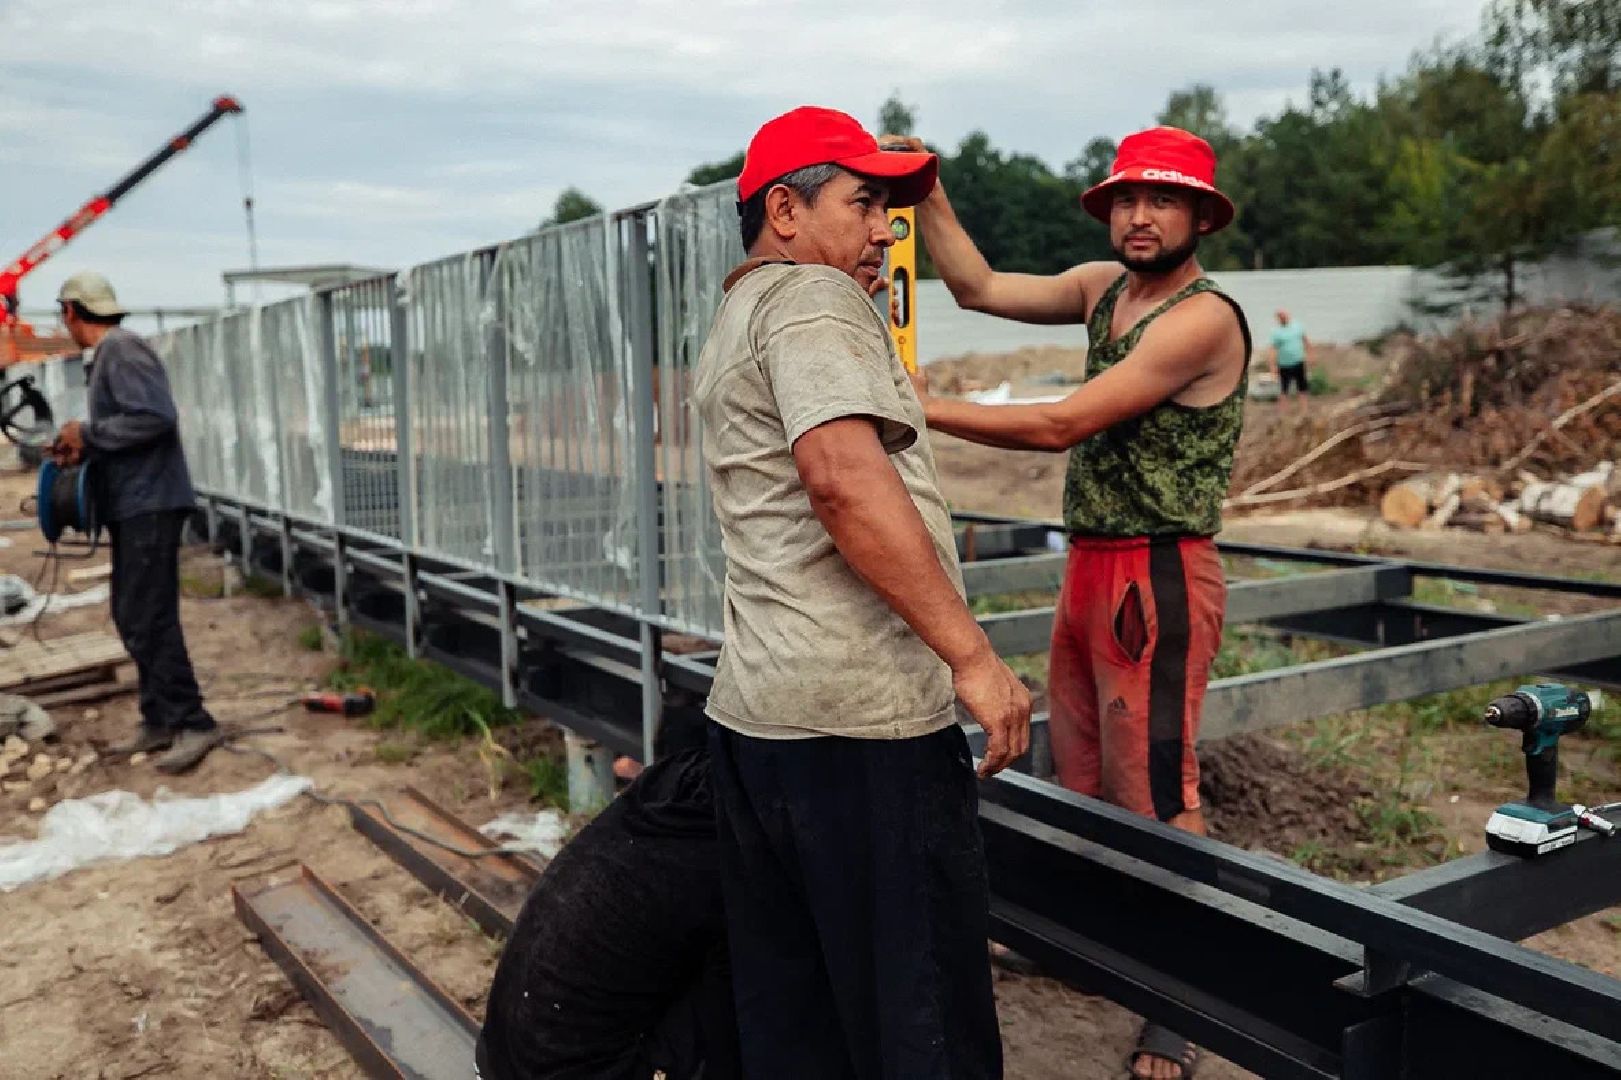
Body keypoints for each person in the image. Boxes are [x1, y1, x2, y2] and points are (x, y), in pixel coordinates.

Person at [893, 125, 1250, 1080]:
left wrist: (914, 406)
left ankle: (1179, 1007)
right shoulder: (1104, 290)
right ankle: (1100, 954)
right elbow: (979, 287)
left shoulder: (1202, 317)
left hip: (1160, 574)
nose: (1140, 215)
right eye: (1127, 199)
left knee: (1159, 794)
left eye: (1163, 201)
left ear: (1199, 217)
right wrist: (928, 191)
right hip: (1093, 565)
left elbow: (1060, 425)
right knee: (1084, 775)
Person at [692, 105, 1031, 1080]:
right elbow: (841, 480)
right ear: (785, 215)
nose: (886, 229)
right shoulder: (811, 300)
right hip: (864, 736)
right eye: (864, 202)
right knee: (917, 1029)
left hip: (764, 724)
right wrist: (971, 657)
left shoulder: (736, 314)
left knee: (801, 1026)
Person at [476, 746, 740, 1080]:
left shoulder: (661, 798)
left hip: (502, 1059)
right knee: (759, 967)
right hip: (575, 1070)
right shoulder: (724, 850)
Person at [51, 271, 221, 774]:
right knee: (132, 613)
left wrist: (88, 430)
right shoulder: (109, 355)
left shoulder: (122, 350)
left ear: (72, 312)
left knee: (148, 615)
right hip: (134, 502)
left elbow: (155, 418)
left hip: (150, 503)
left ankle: (194, 722)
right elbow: (127, 429)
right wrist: (79, 447)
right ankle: (159, 718)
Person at [1269, 309, 1311, 409]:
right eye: (1280, 316)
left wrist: (1311, 355)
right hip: (1284, 364)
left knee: (1302, 388)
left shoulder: (1297, 326)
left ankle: (1304, 411)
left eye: (1284, 315)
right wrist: (1272, 367)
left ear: (1288, 315)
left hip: (1298, 362)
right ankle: (1283, 413)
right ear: (1278, 319)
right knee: (1284, 390)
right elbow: (1272, 350)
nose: (1283, 318)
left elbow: (1305, 340)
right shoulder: (1276, 332)